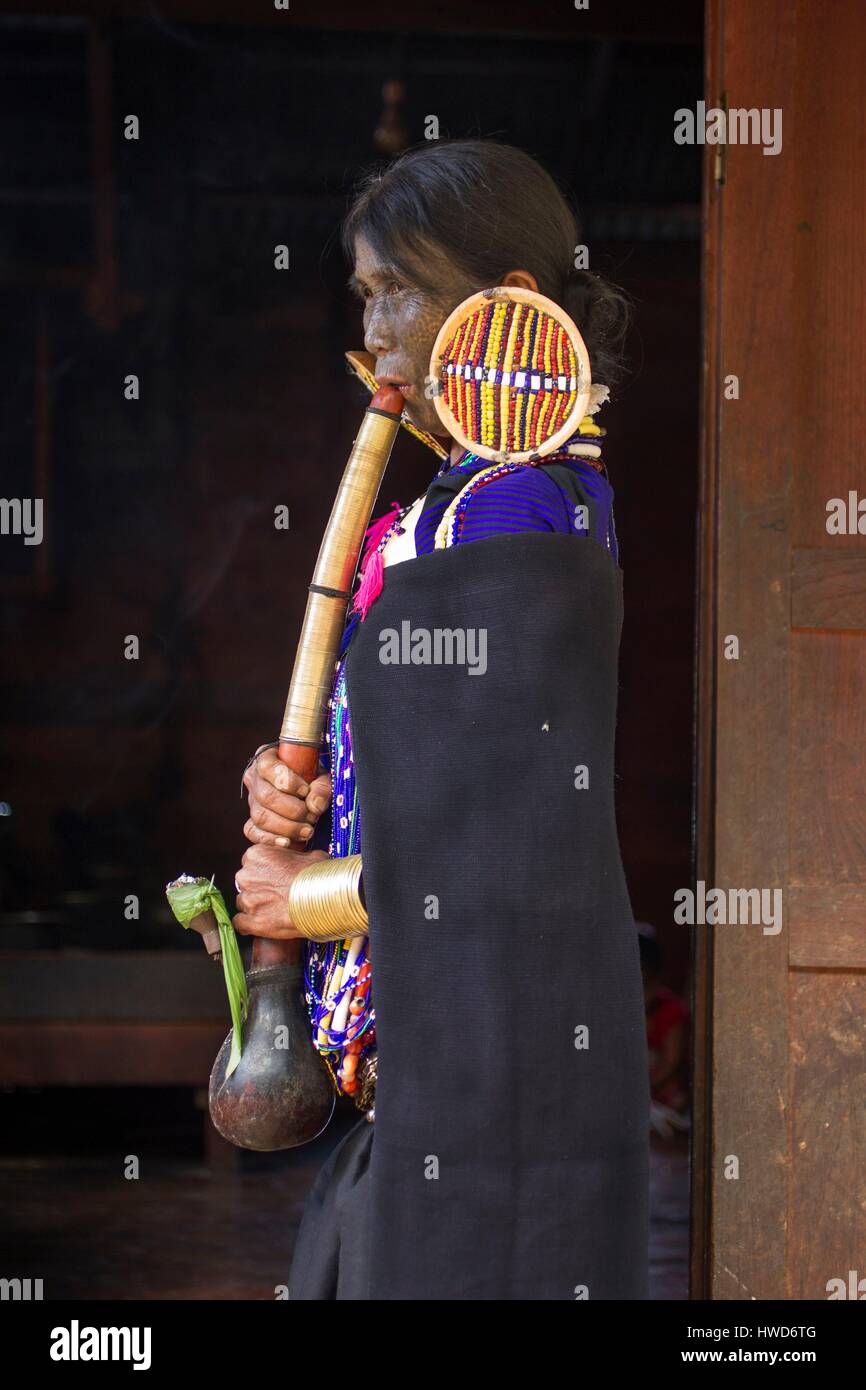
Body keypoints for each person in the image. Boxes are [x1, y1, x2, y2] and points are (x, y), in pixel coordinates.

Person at [232, 139, 649, 1300]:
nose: (373, 338)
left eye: (396, 293)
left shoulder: (519, 508)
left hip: (506, 1069)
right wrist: (300, 786)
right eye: (363, 300)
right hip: (454, 1048)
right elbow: (428, 775)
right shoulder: (451, 508)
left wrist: (302, 894)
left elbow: (503, 849)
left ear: (507, 306)